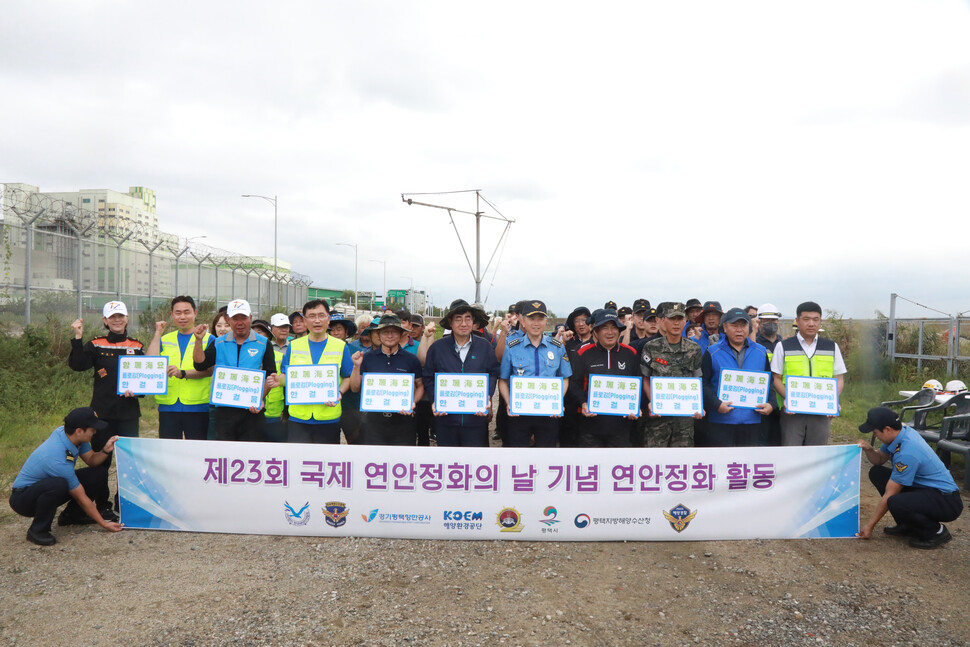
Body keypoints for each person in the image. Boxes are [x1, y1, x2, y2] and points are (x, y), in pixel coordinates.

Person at [9, 408, 124, 546]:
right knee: (58, 484)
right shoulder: (58, 459)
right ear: (79, 431)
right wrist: (104, 524)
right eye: (92, 429)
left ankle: (73, 516)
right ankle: (37, 530)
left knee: (98, 473)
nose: (95, 431)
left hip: (44, 487)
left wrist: (105, 450)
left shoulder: (71, 436)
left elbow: (92, 460)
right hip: (23, 499)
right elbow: (81, 496)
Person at [68, 300, 144, 511]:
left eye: (121, 316)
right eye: (112, 317)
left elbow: (145, 379)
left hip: (128, 414)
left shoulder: (136, 346)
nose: (117, 320)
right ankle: (103, 505)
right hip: (102, 415)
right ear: (105, 321)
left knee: (129, 461)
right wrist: (77, 338)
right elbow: (78, 365)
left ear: (127, 318)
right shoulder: (96, 343)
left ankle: (125, 503)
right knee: (102, 461)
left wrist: (138, 391)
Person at [857, 407, 963, 549]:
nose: (875, 436)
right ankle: (907, 524)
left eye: (875, 432)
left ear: (887, 429)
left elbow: (890, 493)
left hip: (946, 500)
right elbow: (879, 460)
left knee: (894, 500)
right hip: (926, 489)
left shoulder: (907, 452)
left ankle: (936, 532)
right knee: (877, 473)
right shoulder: (900, 434)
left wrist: (870, 526)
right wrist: (869, 449)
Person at [193, 299, 279, 441]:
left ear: (250, 318)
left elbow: (270, 375)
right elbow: (200, 364)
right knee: (225, 454)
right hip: (225, 411)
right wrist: (198, 341)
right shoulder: (219, 342)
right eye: (235, 318)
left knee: (252, 454)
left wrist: (260, 399)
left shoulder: (263, 343)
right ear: (228, 320)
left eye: (243, 318)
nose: (240, 322)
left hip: (252, 411)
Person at [423, 299, 500, 446]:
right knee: (449, 463)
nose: (463, 324)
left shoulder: (484, 346)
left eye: (468, 318)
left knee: (476, 462)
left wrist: (487, 397)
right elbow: (428, 377)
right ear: (450, 323)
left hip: (476, 419)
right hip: (446, 419)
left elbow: (493, 372)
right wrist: (435, 401)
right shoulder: (437, 348)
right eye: (458, 319)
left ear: (473, 322)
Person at [277, 299, 354, 444]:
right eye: (312, 316)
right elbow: (285, 377)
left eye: (321, 315)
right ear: (305, 321)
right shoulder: (294, 346)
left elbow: (348, 377)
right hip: (298, 418)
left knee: (327, 462)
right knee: (298, 461)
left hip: (328, 418)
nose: (317, 321)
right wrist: (277, 380)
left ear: (328, 319)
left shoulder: (340, 346)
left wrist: (340, 392)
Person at [771, 301, 847, 446]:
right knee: (791, 453)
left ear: (820, 321)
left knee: (817, 455)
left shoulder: (831, 347)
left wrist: (832, 401)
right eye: (806, 319)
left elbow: (839, 378)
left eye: (815, 319)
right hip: (792, 413)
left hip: (821, 413)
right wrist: (791, 399)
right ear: (797, 321)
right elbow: (776, 378)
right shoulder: (783, 346)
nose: (811, 324)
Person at [498, 300, 572, 448]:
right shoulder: (512, 347)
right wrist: (508, 402)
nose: (536, 323)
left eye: (540, 319)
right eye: (532, 319)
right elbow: (503, 380)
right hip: (519, 413)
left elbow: (565, 378)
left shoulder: (557, 347)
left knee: (546, 455)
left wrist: (557, 400)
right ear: (523, 321)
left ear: (546, 321)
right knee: (518, 456)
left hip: (548, 413)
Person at [701, 308, 775, 447]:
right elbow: (703, 383)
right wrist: (716, 404)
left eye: (743, 325)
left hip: (752, 420)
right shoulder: (712, 352)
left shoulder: (760, 351)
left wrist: (771, 404)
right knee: (721, 463)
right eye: (734, 326)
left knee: (748, 463)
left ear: (749, 327)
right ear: (725, 327)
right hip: (721, 421)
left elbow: (769, 382)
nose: (739, 330)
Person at [146, 296, 214, 441]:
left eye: (186, 312)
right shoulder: (165, 339)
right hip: (168, 406)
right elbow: (150, 363)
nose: (182, 317)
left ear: (195, 313)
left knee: (197, 454)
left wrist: (181, 373)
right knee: (169, 454)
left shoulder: (208, 339)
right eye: (178, 313)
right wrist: (158, 333)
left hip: (198, 406)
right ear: (172, 315)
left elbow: (211, 370)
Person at [569, 309, 640, 448]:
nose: (610, 332)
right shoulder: (583, 352)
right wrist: (582, 403)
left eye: (614, 328)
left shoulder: (630, 353)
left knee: (620, 466)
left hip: (622, 425)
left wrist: (637, 407)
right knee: (591, 466)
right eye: (605, 328)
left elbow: (638, 382)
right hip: (590, 425)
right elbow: (574, 383)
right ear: (595, 331)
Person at [350, 314, 425, 445]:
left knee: (403, 461)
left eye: (394, 332)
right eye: (385, 332)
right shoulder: (367, 358)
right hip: (373, 421)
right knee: (374, 460)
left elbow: (420, 385)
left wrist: (412, 402)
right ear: (378, 335)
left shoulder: (411, 359)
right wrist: (356, 366)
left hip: (403, 422)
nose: (390, 336)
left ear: (401, 334)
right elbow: (355, 387)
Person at [640, 302, 704, 447]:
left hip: (684, 420)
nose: (676, 323)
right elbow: (645, 378)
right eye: (672, 319)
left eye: (680, 319)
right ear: (663, 320)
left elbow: (697, 379)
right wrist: (653, 401)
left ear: (685, 321)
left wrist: (698, 405)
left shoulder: (694, 349)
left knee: (682, 462)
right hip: (658, 418)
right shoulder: (651, 347)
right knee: (655, 461)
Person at [328, 312, 362, 443]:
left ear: (346, 332)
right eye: (332, 330)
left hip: (350, 404)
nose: (335, 333)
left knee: (355, 439)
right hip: (328, 404)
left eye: (339, 329)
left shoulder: (355, 350)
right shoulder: (323, 350)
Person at [755, 303, 784, 446]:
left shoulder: (784, 344)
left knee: (780, 440)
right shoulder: (754, 343)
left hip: (781, 401)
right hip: (762, 400)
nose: (771, 324)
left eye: (774, 320)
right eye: (766, 321)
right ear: (758, 321)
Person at [263, 313, 293, 443]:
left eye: (286, 327)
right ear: (272, 328)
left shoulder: (294, 347)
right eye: (280, 327)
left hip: (284, 402)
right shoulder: (265, 346)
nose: (284, 330)